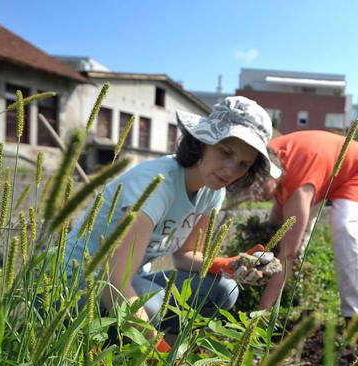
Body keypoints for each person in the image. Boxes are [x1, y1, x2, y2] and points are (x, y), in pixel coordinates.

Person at [65, 96, 281, 339]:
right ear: (203, 142)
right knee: (153, 304)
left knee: (225, 289)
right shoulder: (157, 185)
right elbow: (113, 281)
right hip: (73, 286)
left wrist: (228, 265)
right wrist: (157, 352)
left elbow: (185, 255)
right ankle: (134, 353)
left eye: (243, 164)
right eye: (225, 152)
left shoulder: (213, 191)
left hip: (130, 279)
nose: (231, 170)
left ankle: (151, 348)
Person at [252, 130, 358, 319]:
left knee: (343, 228)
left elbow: (288, 254)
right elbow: (277, 219)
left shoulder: (298, 188)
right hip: (318, 166)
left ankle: (352, 315)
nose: (255, 197)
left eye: (259, 190)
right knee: (287, 230)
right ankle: (291, 289)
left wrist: (260, 314)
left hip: (355, 167)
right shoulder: (259, 156)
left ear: (273, 177)